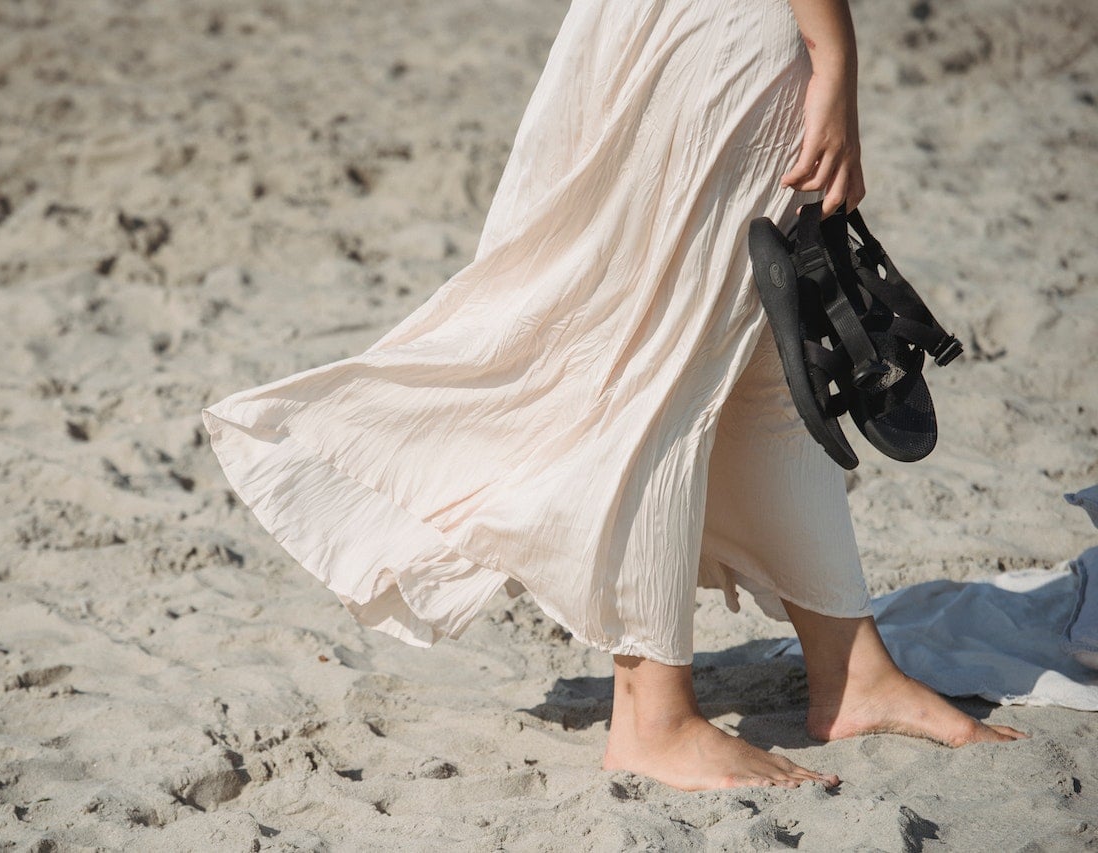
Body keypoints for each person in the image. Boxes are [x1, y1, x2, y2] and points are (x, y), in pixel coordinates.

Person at [201, 0, 1028, 793]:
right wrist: (835, 55)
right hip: (724, 38)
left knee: (756, 363)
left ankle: (852, 673)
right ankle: (652, 716)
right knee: (660, 367)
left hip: (647, 26)